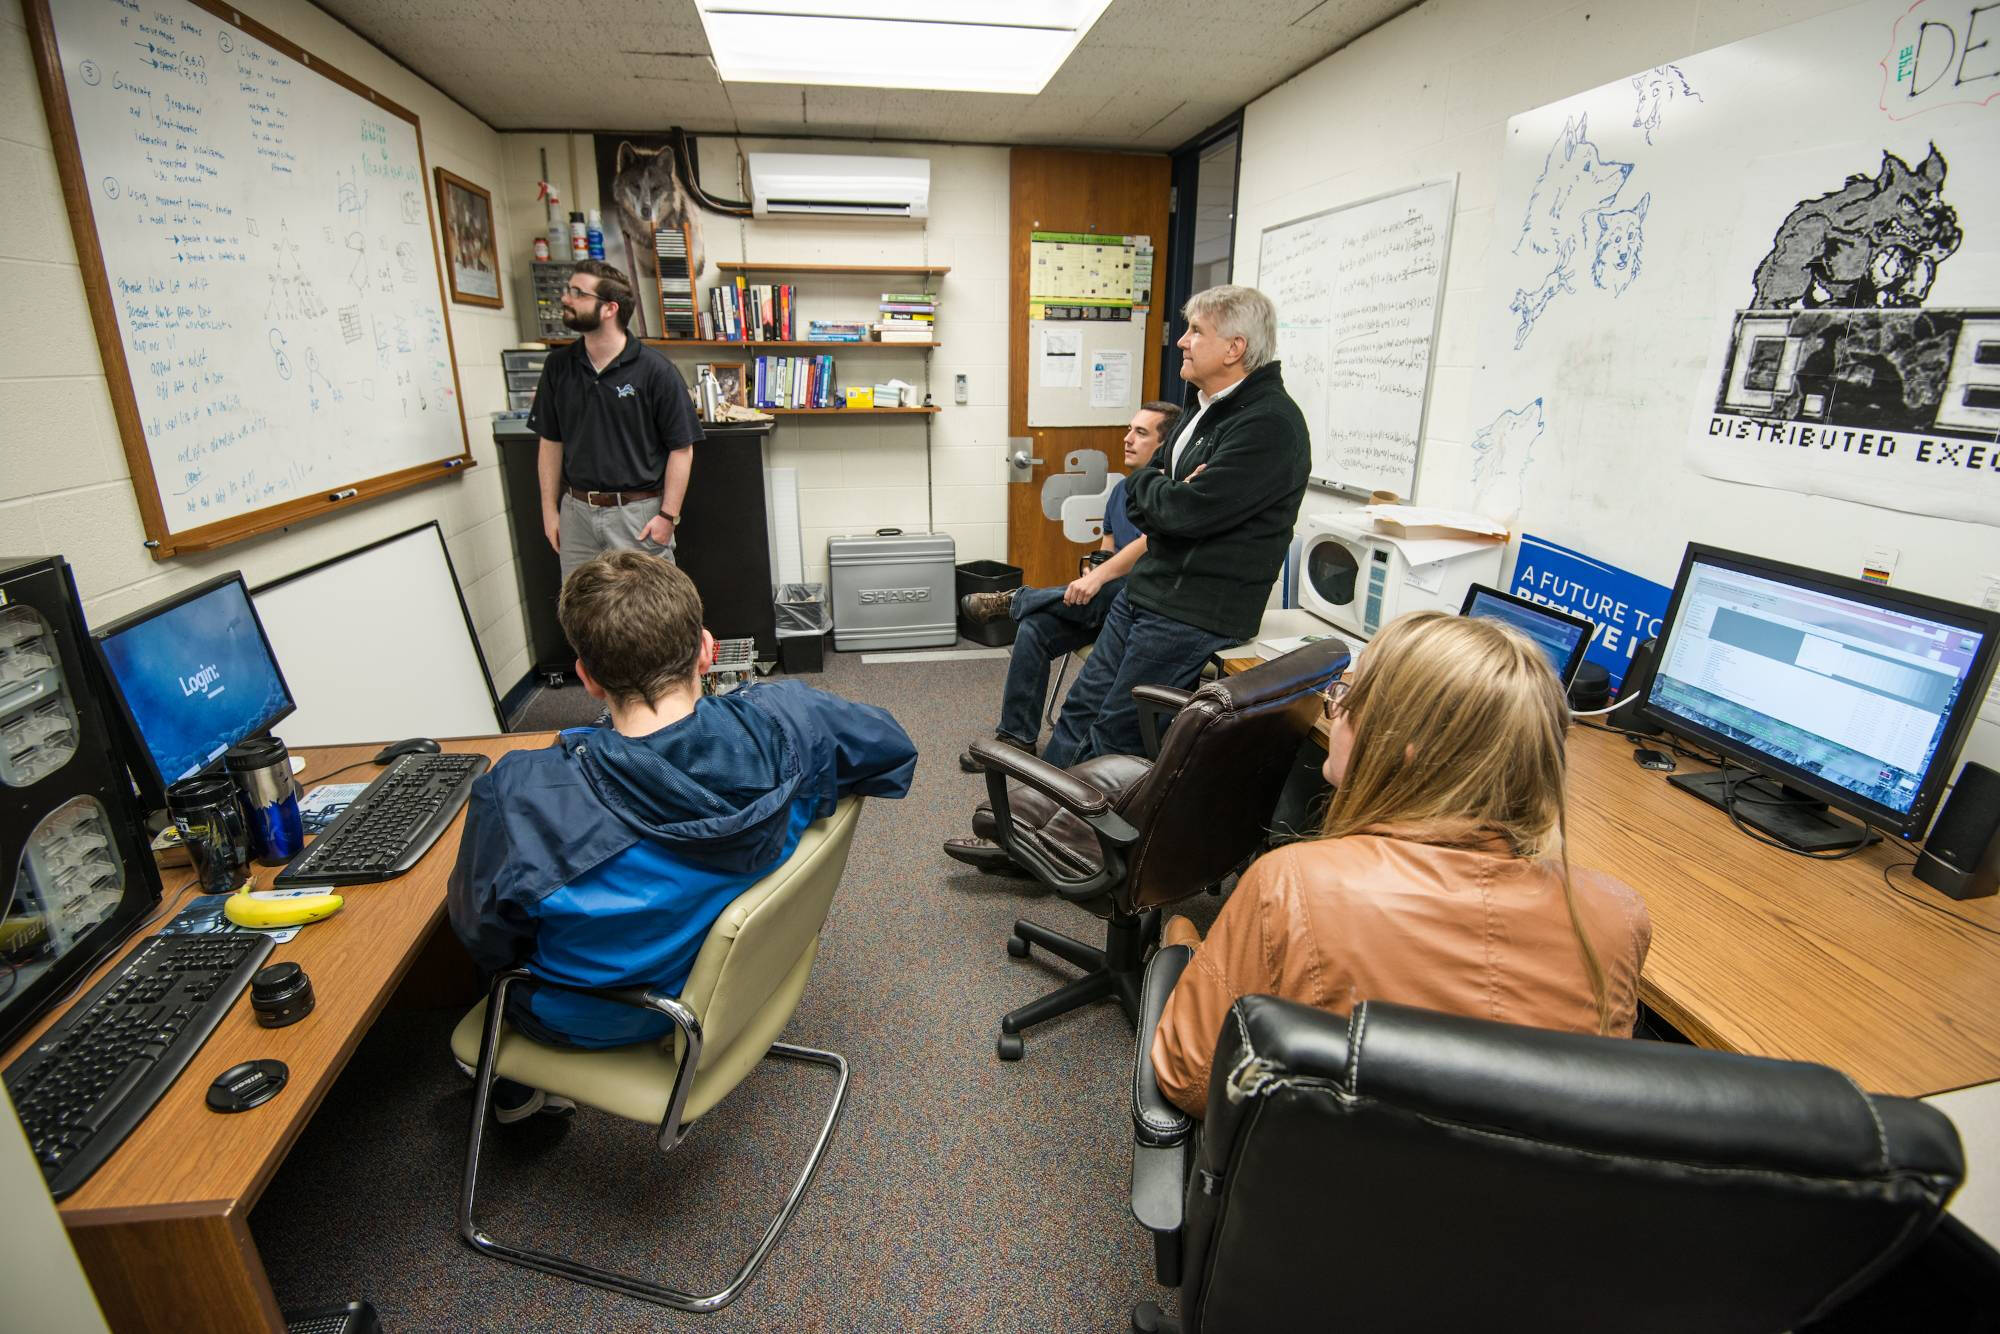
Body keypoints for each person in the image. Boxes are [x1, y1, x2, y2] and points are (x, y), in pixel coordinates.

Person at [448, 552, 917, 1121]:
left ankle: (517, 1096)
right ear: (707, 648)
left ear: (587, 679)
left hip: (601, 1020)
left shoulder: (522, 796)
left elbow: (485, 940)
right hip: (736, 990)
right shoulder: (794, 718)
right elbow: (891, 751)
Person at [1148, 611, 1653, 1118]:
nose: (1333, 710)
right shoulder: (1617, 916)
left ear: (1403, 751)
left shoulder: (1293, 885)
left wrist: (1191, 954)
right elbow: (1597, 1115)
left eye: (1347, 699)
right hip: (1524, 1195)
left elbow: (1187, 1078)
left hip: (1325, 1188)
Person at [1040, 285, 1310, 771]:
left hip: (1191, 612)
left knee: (1116, 732)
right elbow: (1145, 492)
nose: (1182, 341)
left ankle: (1066, 838)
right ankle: (1025, 821)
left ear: (1235, 348)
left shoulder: (1269, 425)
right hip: (1147, 592)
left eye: (1195, 331)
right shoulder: (1203, 410)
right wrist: (1162, 488)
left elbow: (1184, 513)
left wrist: (1166, 494)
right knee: (1081, 709)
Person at [954, 400, 1182, 772]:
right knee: (1036, 627)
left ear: (1164, 446)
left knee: (1112, 585)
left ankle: (1017, 599)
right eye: (1129, 429)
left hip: (1143, 606)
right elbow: (1107, 552)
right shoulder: (1121, 491)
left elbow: (1149, 546)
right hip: (1107, 603)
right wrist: (1095, 571)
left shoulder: (1170, 494)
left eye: (1141, 433)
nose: (1127, 439)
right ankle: (1017, 736)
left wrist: (1098, 577)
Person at [528, 259, 704, 583]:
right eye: (569, 290)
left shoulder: (655, 370)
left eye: (578, 293)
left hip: (637, 515)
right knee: (583, 615)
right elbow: (550, 442)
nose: (566, 299)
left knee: (652, 616)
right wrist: (549, 511)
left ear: (609, 309)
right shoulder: (558, 367)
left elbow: (682, 449)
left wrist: (667, 516)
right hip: (576, 513)